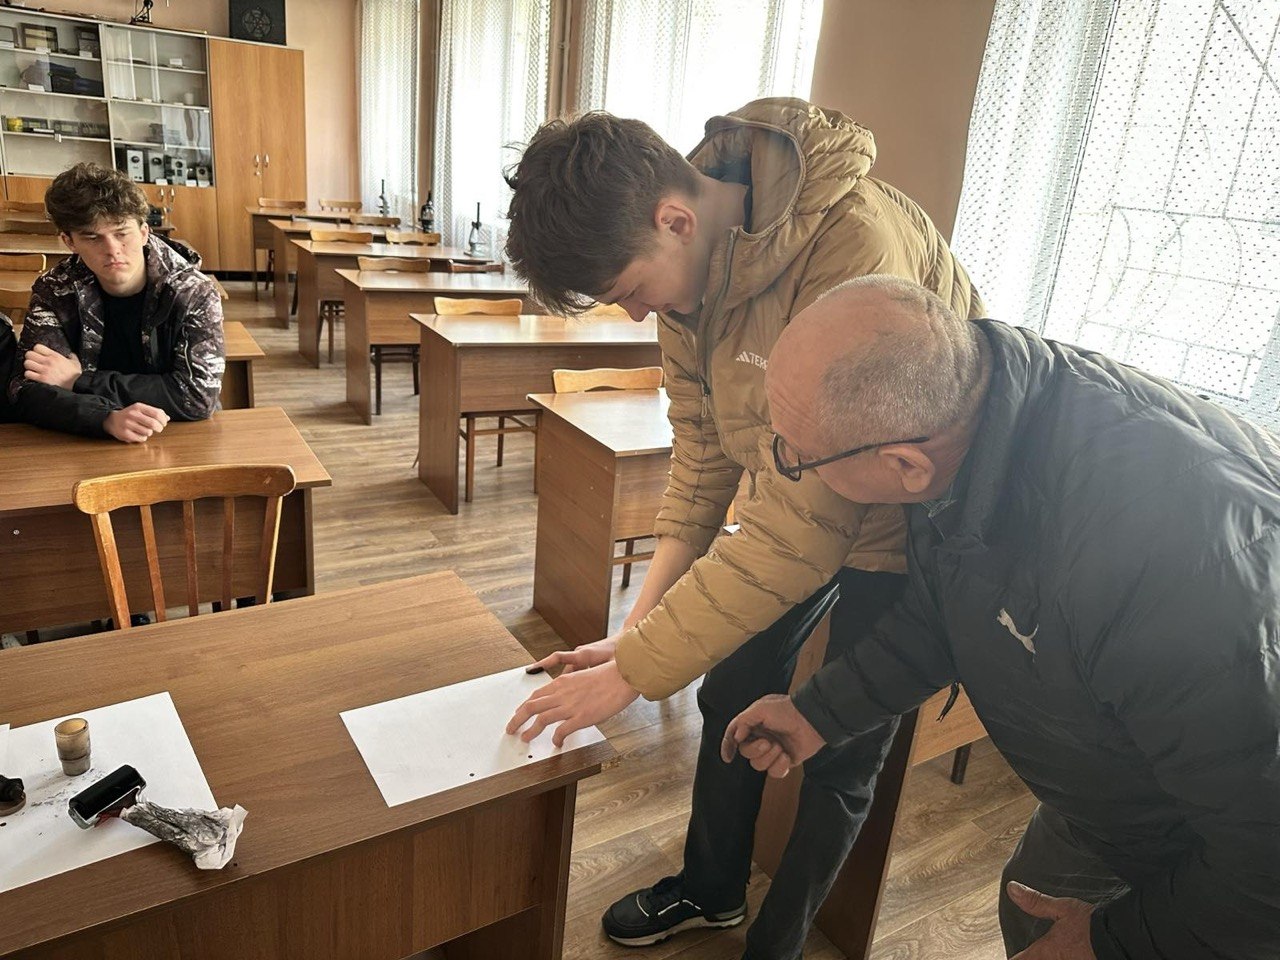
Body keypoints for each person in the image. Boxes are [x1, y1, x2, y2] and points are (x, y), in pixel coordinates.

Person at [502, 98, 982, 957]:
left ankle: (778, 943)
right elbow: (701, 461)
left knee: (840, 745)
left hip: (907, 517)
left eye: (630, 291)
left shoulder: (850, 245)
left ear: (674, 219)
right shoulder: (691, 277)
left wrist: (632, 675)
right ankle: (712, 890)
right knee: (730, 690)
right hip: (795, 498)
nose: (637, 315)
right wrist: (636, 634)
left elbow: (808, 526)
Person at [724, 275, 1280, 959]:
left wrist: (1113, 942)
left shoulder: (1167, 559)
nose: (785, 464)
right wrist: (817, 713)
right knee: (1034, 899)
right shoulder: (969, 415)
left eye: (796, 455)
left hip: (1231, 845)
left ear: (904, 464)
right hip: (1119, 791)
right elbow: (946, 613)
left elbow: (1267, 861)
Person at [6, 161, 224, 442]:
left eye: (122, 233)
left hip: (180, 435)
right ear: (69, 242)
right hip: (87, 439)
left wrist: (77, 381)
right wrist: (104, 418)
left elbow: (197, 396)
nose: (112, 250)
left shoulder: (192, 291)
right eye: (92, 237)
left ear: (144, 232)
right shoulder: (55, 290)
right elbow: (24, 390)